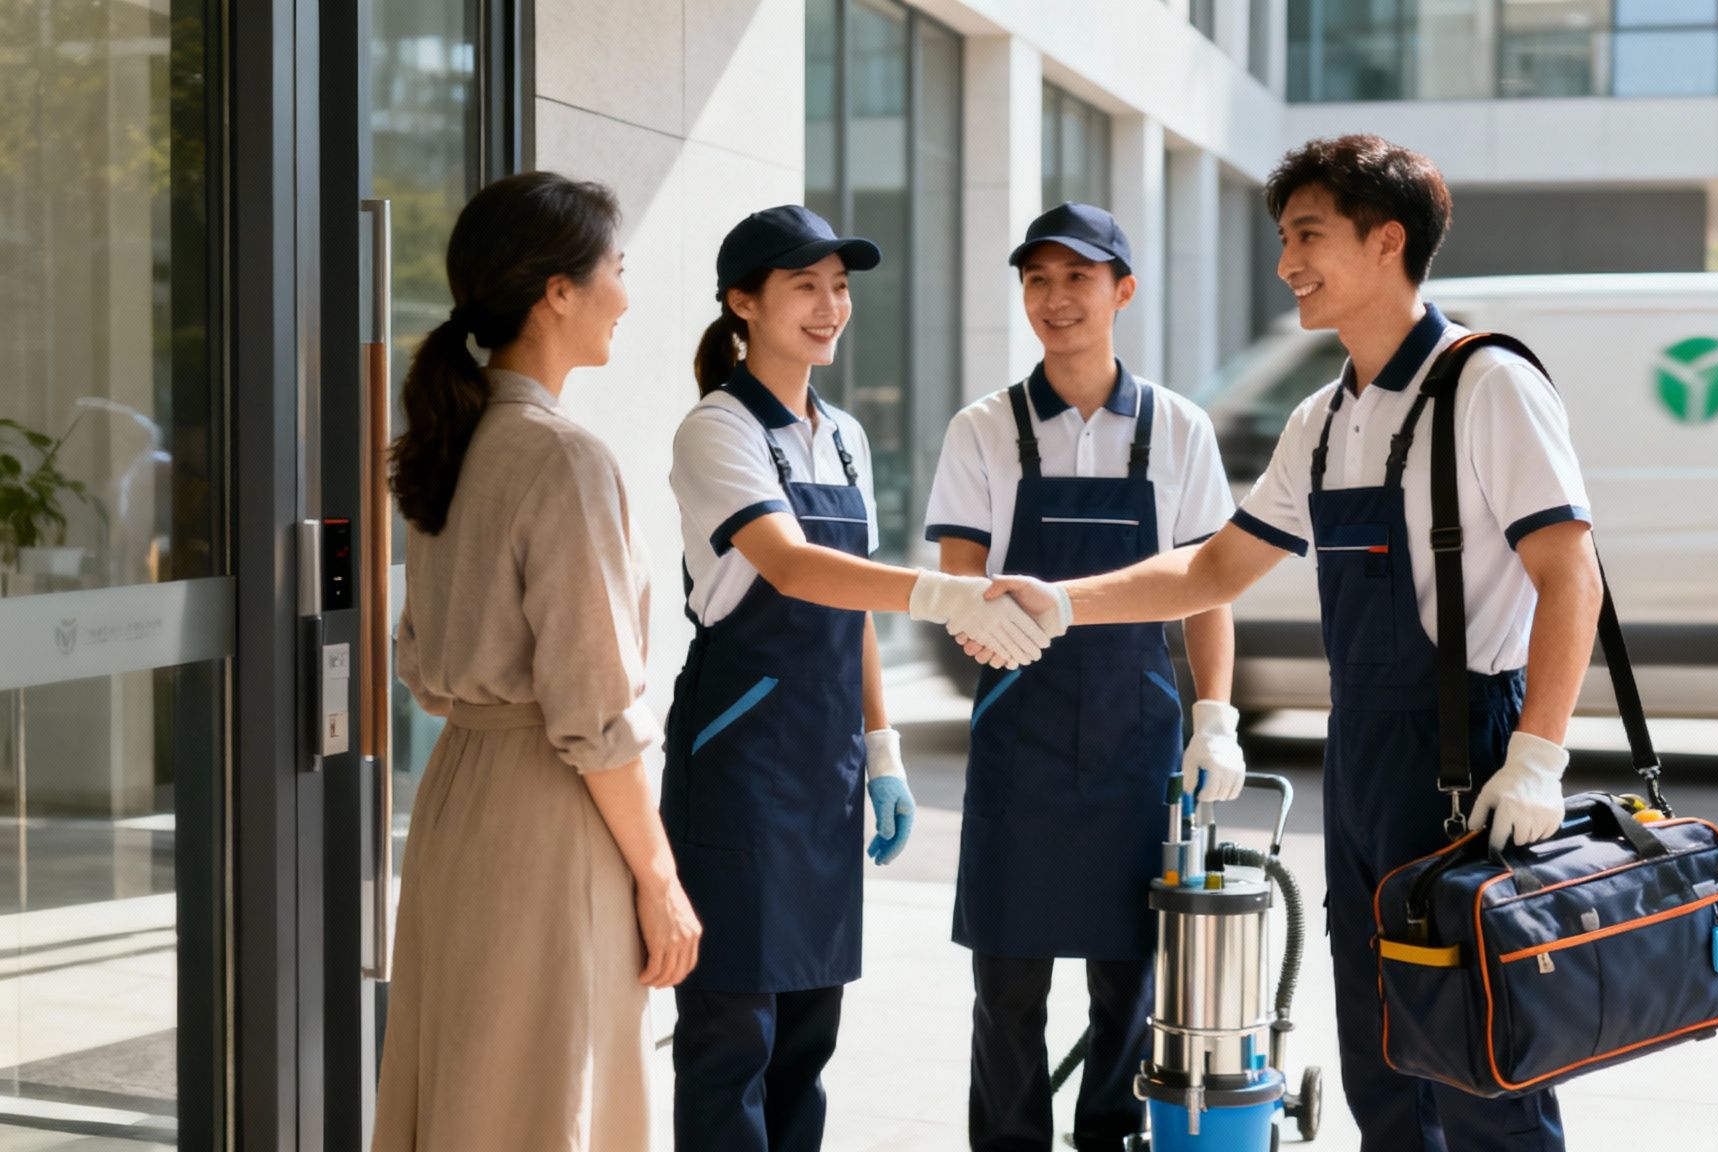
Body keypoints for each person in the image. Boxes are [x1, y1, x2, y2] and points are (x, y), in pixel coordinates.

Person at [981, 136, 1601, 1151]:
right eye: (1283, 238)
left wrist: (1535, 757)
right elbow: (1210, 569)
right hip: (1359, 749)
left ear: (1386, 241)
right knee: (1382, 1049)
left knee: (1482, 1060)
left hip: (1465, 756)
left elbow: (1569, 573)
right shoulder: (1321, 418)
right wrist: (1059, 602)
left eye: (1306, 235)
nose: (1285, 263)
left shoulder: (1483, 386)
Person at [663, 204, 1051, 1152]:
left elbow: (853, 609)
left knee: (808, 1035)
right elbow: (794, 567)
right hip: (741, 764)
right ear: (741, 303)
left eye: (839, 287)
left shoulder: (841, 434)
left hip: (824, 766)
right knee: (732, 1034)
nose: (830, 306)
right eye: (804, 286)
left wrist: (882, 751)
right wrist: (949, 596)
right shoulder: (715, 431)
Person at [373, 171, 699, 1152]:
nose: (627, 295)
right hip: (548, 810)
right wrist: (659, 877)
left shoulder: (453, 439)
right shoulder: (559, 456)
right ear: (558, 290)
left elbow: (417, 657)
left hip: (460, 794)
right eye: (617, 267)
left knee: (471, 1077)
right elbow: (596, 714)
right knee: (547, 1091)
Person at [922, 202, 1241, 1152]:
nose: (1056, 299)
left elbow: (1208, 588)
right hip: (1018, 734)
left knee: (1127, 982)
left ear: (1122, 291)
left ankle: (1109, 1140)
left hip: (1135, 736)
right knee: (1007, 985)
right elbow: (955, 586)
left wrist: (1214, 713)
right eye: (1037, 281)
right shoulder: (983, 430)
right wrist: (985, 624)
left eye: (1078, 279)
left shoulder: (1180, 430)